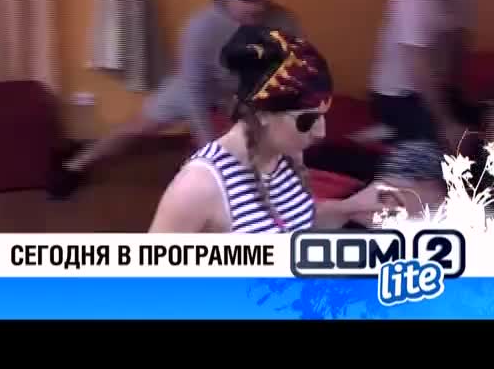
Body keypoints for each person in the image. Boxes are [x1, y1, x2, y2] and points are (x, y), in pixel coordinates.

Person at [48, 0, 303, 199]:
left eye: (262, 0)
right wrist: (207, 145)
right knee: (136, 127)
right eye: (249, 1)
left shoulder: (284, 21)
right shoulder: (201, 27)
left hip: (243, 91)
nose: (258, 8)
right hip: (195, 87)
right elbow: (194, 91)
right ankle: (75, 165)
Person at [149, 27, 394, 233]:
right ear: (263, 113)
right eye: (307, 120)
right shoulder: (199, 185)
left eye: (322, 116)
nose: (321, 132)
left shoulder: (286, 155)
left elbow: (295, 224)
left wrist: (351, 207)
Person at [369, 0, 488, 154]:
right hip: (396, 96)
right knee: (450, 142)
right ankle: (392, 133)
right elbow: (420, 70)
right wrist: (447, 124)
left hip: (437, 89)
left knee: (482, 124)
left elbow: (458, 48)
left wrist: (460, 97)